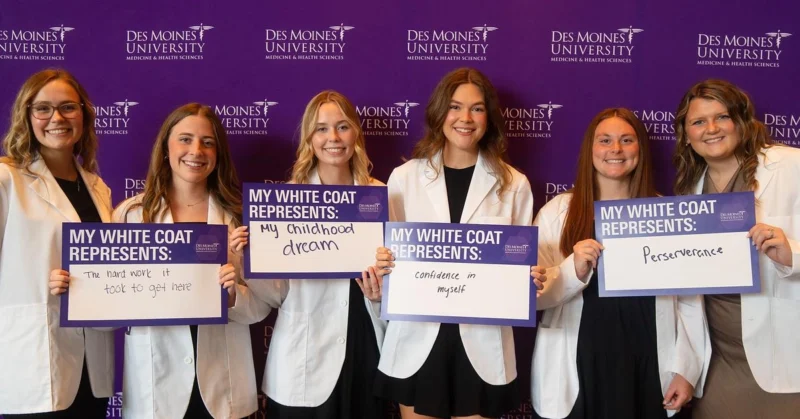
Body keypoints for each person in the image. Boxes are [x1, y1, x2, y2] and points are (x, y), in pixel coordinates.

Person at [372, 67, 535, 419]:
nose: (466, 118)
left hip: (483, 342)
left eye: (477, 108)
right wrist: (382, 272)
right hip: (417, 339)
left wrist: (529, 279)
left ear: (489, 117)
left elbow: (521, 267)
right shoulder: (403, 179)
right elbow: (391, 267)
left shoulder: (515, 184)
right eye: (455, 107)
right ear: (439, 113)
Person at [530, 108, 709, 419]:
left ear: (640, 149)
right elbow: (535, 296)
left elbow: (689, 301)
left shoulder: (665, 214)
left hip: (649, 363)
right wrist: (574, 270)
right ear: (590, 149)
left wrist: (686, 369)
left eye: (627, 140)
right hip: (579, 364)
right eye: (605, 140)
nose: (615, 149)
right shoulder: (557, 212)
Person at [230, 90, 389, 418]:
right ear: (309, 138)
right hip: (303, 358)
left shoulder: (383, 195)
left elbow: (401, 281)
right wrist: (249, 259)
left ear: (356, 133)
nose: (333, 138)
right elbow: (276, 296)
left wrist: (381, 294)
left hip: (364, 348)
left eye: (342, 126)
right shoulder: (284, 202)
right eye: (321, 129)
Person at [111, 103, 263, 418]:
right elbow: (111, 302)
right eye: (185, 139)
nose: (196, 151)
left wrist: (232, 294)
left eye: (208, 142)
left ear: (218, 154)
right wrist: (78, 289)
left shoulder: (240, 217)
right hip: (157, 378)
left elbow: (260, 309)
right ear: (165, 148)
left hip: (222, 380)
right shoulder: (131, 215)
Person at [673, 79, 800, 418]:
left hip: (787, 351)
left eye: (722, 117)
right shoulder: (688, 193)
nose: (711, 129)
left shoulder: (791, 166)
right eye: (698, 121)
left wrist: (793, 255)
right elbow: (687, 292)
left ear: (740, 121)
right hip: (720, 359)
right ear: (686, 134)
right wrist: (686, 366)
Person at [0, 69, 114, 417]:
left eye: (68, 107)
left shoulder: (98, 188)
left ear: (83, 115)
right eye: (43, 109)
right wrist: (39, 282)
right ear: (27, 115)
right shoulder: (7, 179)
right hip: (32, 355)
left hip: (91, 362)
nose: (57, 118)